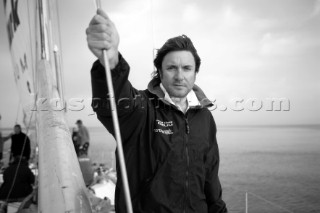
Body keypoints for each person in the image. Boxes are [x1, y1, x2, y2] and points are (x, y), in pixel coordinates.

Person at [86, 9, 228, 213]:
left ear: (196, 72)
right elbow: (112, 102)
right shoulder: (142, 108)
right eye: (171, 68)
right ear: (160, 72)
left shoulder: (204, 117)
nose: (180, 76)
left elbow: (210, 177)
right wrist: (110, 62)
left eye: (187, 68)